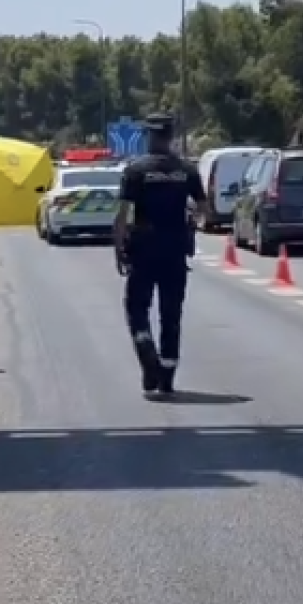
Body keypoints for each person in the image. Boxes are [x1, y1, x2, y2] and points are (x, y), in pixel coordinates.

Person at [114, 114, 205, 397]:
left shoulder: (136, 170)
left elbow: (123, 215)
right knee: (171, 315)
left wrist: (119, 246)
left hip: (144, 249)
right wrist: (190, 222)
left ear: (149, 136)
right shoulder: (186, 170)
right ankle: (166, 377)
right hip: (175, 250)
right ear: (171, 136)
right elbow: (204, 209)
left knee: (136, 308)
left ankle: (145, 350)